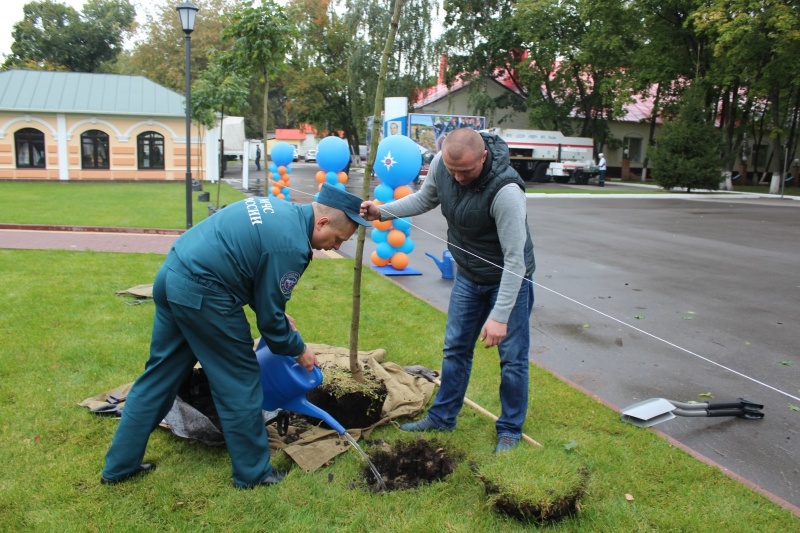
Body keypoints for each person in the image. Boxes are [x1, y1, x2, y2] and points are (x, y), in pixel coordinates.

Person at [101, 184, 370, 488]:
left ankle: (119, 467)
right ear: (322, 222)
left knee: (159, 377)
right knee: (240, 381)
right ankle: (253, 474)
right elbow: (271, 325)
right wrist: (299, 349)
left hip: (172, 276)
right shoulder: (292, 246)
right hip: (206, 295)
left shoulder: (279, 209)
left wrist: (277, 313)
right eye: (336, 239)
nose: (334, 247)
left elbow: (252, 269)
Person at [360, 128, 535, 454]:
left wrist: (499, 316)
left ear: (483, 157)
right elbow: (426, 198)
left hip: (507, 279)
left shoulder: (507, 192)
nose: (458, 177)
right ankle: (443, 416)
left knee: (512, 359)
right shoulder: (443, 165)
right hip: (468, 274)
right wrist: (383, 211)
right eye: (452, 170)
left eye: (465, 171)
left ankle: (509, 429)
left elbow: (515, 261)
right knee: (455, 348)